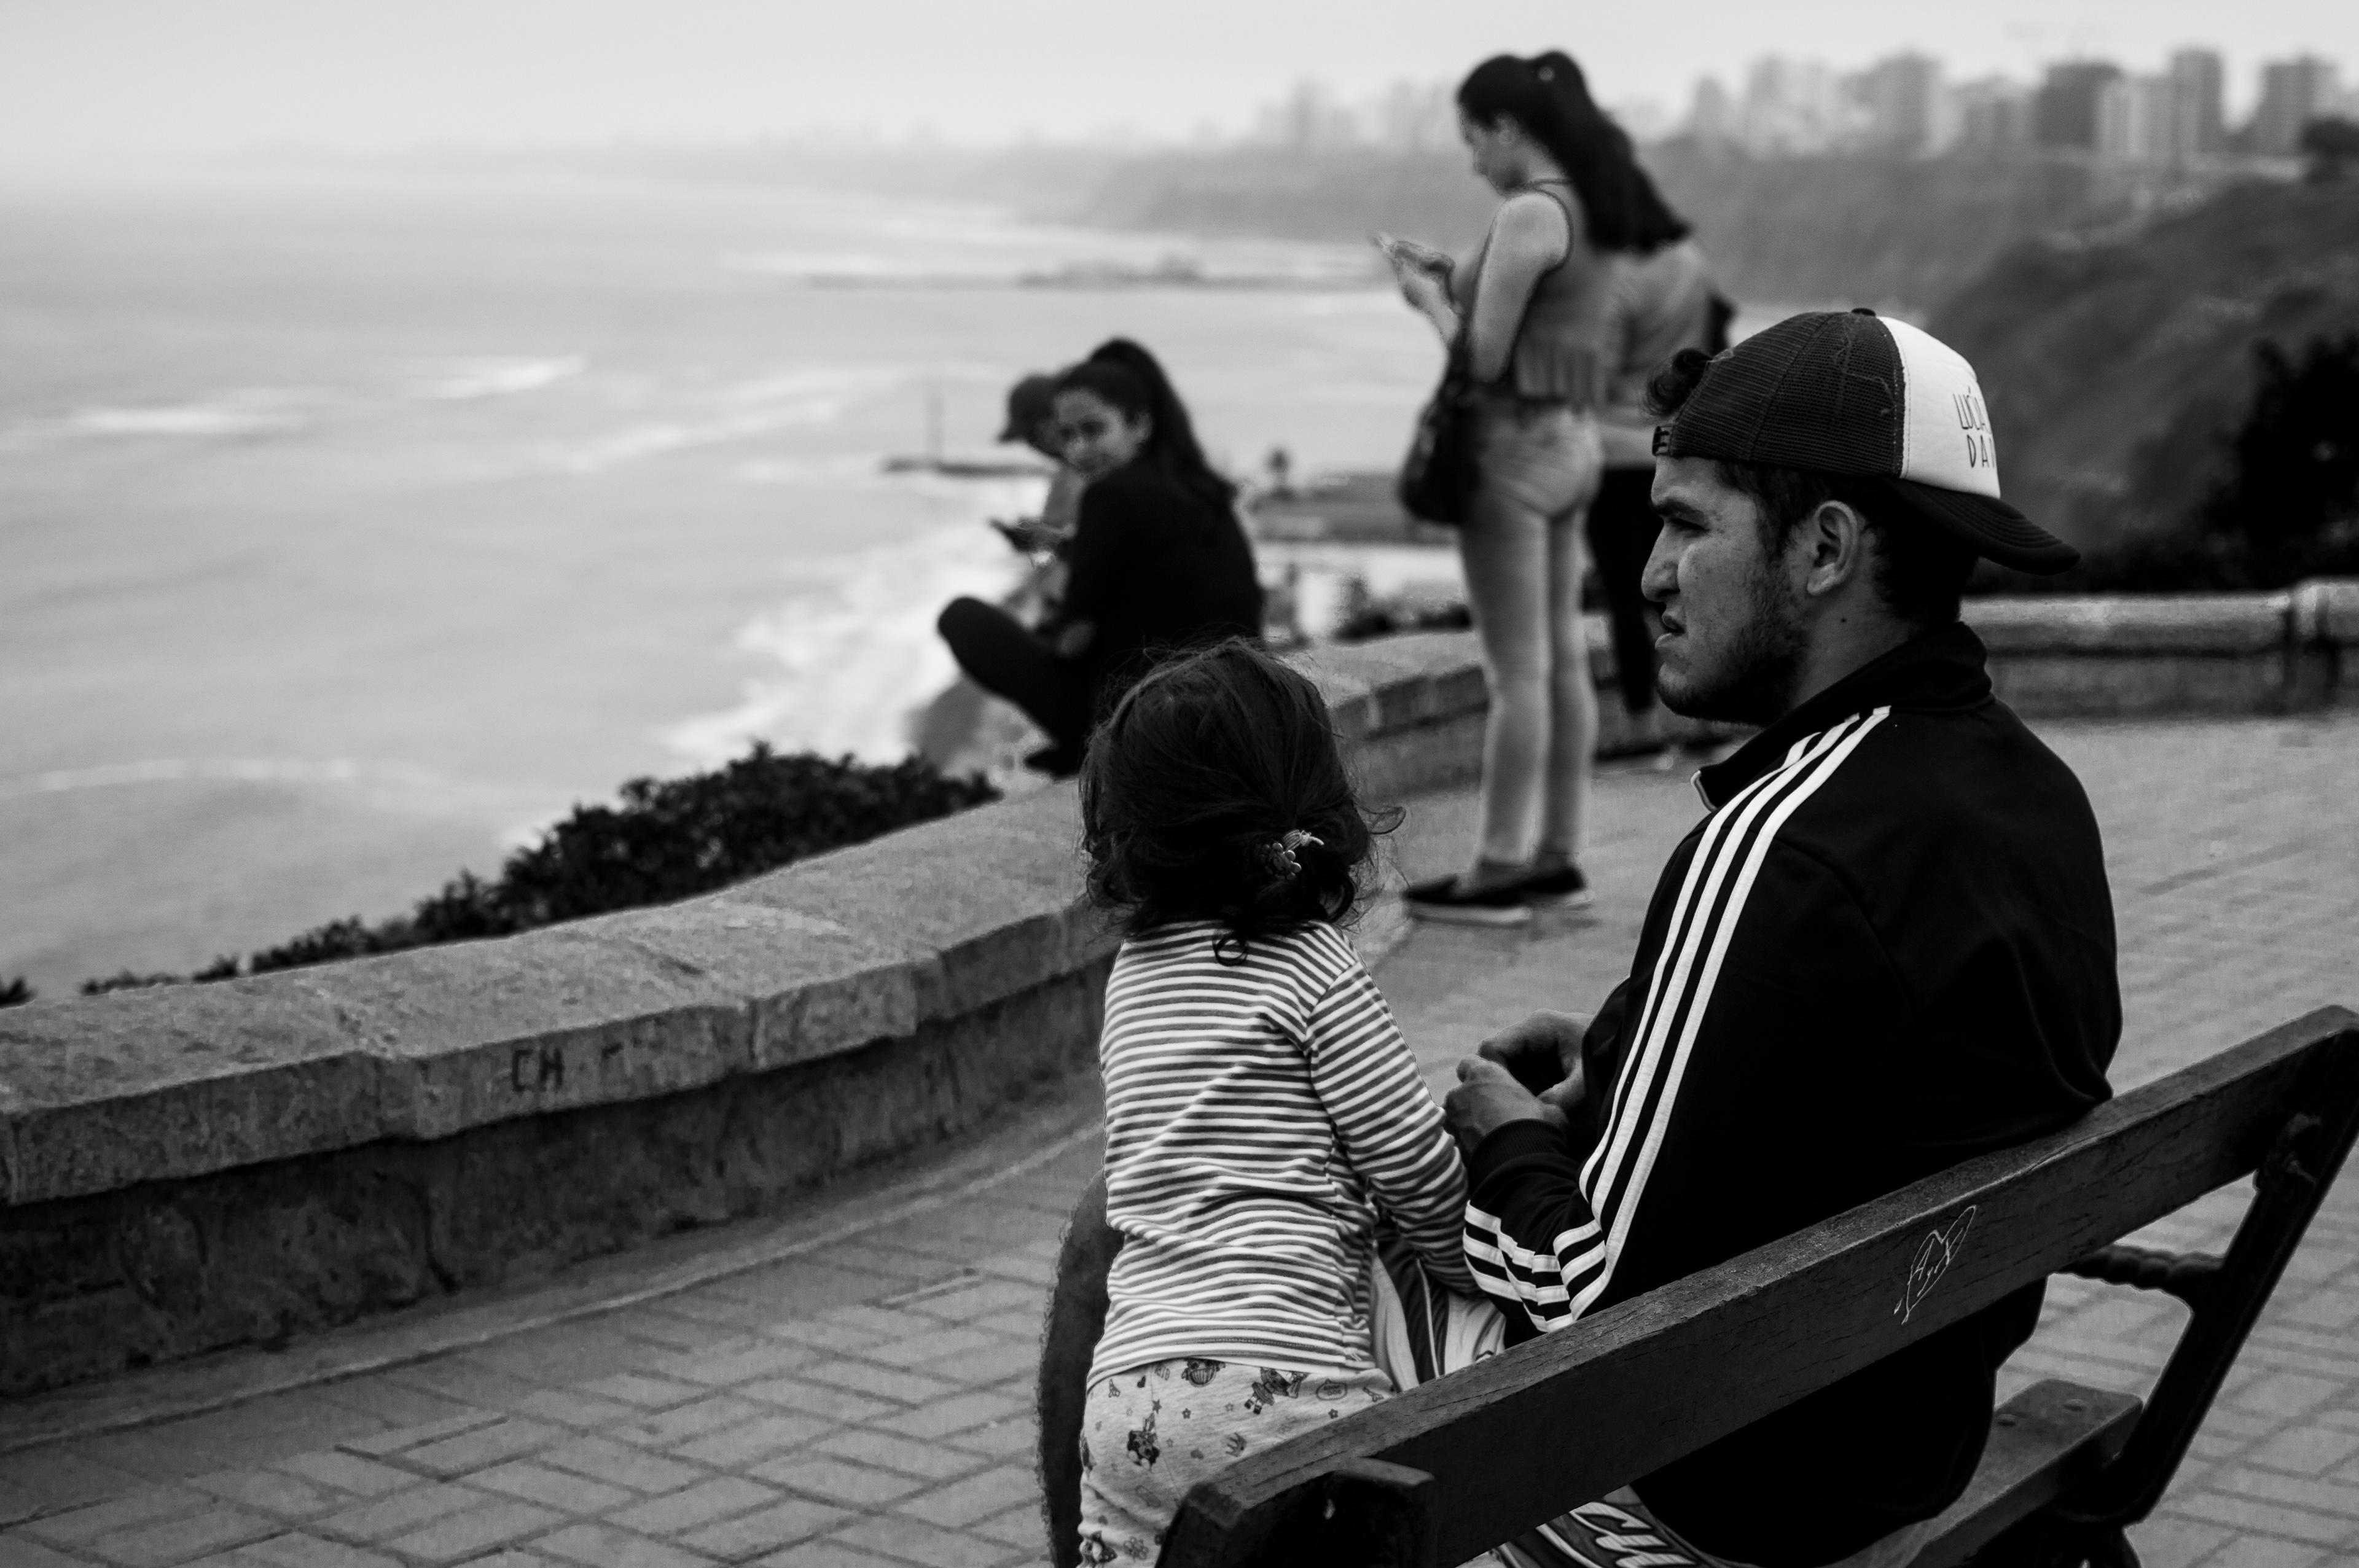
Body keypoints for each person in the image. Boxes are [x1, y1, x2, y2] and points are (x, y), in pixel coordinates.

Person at [1444, 310, 2119, 1567]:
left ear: (1824, 548)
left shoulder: (1782, 847)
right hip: (1894, 1447)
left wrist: (1508, 1139)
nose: (1651, 574)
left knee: (1166, 1271)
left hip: (1707, 1496)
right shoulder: (2033, 798)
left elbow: (1595, 1317)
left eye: (1688, 525)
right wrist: (1638, 1048)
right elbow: (1861, 1087)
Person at [1065, 640, 1475, 1566]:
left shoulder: (1133, 974)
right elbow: (1413, 1170)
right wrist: (1469, 1267)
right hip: (1289, 1390)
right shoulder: (1312, 965)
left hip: (1127, 1395)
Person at [1380, 52, 1691, 926]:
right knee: (1557, 663)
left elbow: (1483, 360)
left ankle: (1496, 870)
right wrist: (1453, 272)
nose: (1473, 159)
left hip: (1509, 456)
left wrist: (1424, 301)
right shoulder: (1591, 205)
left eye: (1474, 139)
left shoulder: (1526, 212)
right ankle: (1556, 856)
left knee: (1518, 673)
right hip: (1571, 444)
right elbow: (1542, 321)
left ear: (1507, 127)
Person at [937, 340, 1262, 776]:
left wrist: (1044, 576)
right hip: (1234, 704)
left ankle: (1084, 749)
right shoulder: (1202, 488)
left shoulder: (1107, 493)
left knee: (962, 619)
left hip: (1154, 720)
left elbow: (1075, 633)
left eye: (1092, 431)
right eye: (1068, 436)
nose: (1076, 449)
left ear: (1139, 423)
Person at [1590, 232, 1726, 757]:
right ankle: (1704, 718)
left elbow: (1597, 374)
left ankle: (1643, 729)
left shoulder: (1617, 277)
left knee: (1624, 594)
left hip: (1614, 452)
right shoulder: (1691, 263)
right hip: (1674, 444)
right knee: (1685, 582)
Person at [990, 371, 1087, 556]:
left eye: (1032, 435)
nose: (1032, 446)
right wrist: (1036, 538)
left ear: (1053, 420)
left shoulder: (1091, 473)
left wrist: (1049, 539)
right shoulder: (1068, 474)